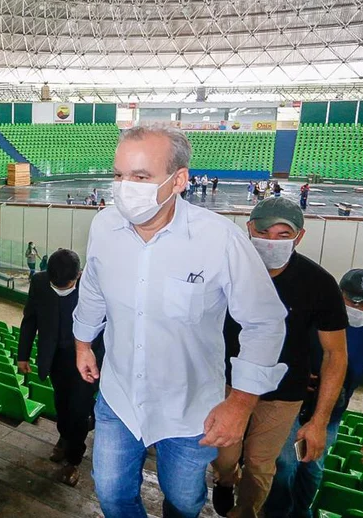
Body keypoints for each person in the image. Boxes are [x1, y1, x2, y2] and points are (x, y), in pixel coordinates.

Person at [73, 124, 289, 518]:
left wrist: (239, 404)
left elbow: (264, 322)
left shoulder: (219, 240)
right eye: (119, 175)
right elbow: (93, 287)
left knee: (185, 500)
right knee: (111, 493)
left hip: (190, 410)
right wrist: (83, 342)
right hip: (118, 396)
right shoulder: (104, 227)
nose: (124, 187)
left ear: (179, 180)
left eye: (140, 177)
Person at [212, 197, 348, 518]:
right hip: (229, 386)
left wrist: (319, 421)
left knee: (261, 464)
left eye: (283, 235)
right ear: (249, 230)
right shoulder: (224, 272)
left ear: (299, 237)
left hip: (283, 394)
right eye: (264, 232)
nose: (272, 241)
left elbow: (335, 354)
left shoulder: (319, 284)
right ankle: (226, 478)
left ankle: (245, 510)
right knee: (224, 453)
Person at [263, 269, 363, 518]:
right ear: (339, 294)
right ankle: (276, 511)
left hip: (330, 411)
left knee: (312, 466)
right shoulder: (312, 313)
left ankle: (301, 509)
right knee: (284, 464)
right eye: (355, 302)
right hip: (289, 402)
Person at [17, 249, 105, 486]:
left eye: (66, 286)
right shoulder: (39, 281)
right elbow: (30, 320)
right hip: (56, 358)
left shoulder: (95, 286)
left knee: (78, 410)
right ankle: (65, 437)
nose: (61, 289)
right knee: (62, 404)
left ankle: (73, 460)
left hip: (87, 360)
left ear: (78, 275)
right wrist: (22, 355)